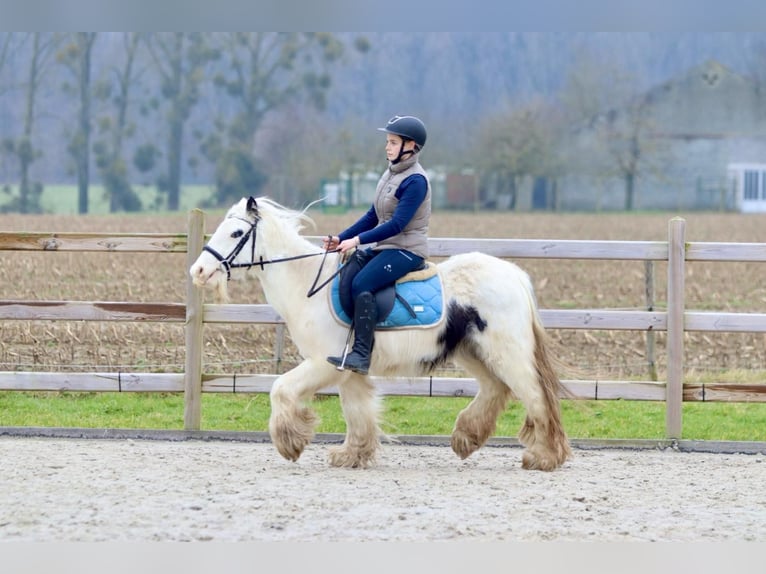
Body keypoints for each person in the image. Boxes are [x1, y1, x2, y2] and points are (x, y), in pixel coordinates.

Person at [324, 115, 431, 375]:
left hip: (406, 250)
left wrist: (357, 241)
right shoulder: (391, 174)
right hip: (386, 247)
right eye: (387, 142)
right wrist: (341, 238)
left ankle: (362, 354)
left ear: (410, 146)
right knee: (350, 271)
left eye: (393, 142)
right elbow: (373, 216)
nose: (387, 147)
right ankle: (348, 343)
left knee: (363, 284)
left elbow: (397, 224)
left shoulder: (415, 181)